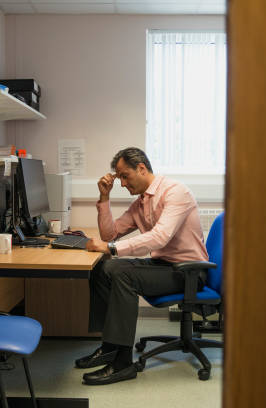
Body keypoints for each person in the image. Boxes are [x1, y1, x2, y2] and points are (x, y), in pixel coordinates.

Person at [77, 147, 209, 385]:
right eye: (120, 179)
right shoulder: (141, 203)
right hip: (164, 266)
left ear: (141, 168)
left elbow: (159, 237)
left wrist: (112, 249)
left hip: (188, 271)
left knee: (122, 273)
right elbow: (110, 234)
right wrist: (104, 198)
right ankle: (109, 347)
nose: (123, 183)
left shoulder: (175, 193)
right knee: (101, 269)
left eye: (125, 176)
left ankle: (123, 364)